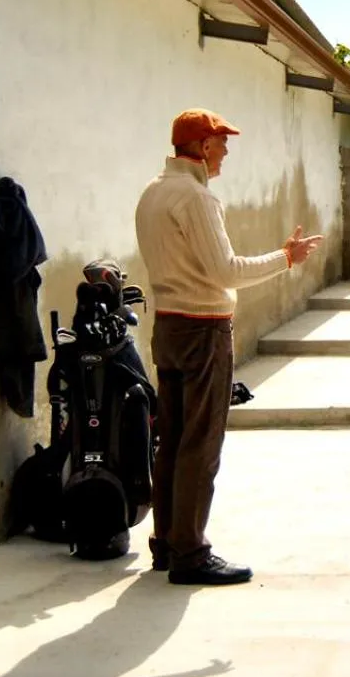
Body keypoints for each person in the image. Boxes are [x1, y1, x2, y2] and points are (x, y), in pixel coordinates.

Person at [135, 108, 322, 586]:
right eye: (221, 142)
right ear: (200, 147)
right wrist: (286, 257)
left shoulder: (153, 193)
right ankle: (191, 553)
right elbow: (227, 272)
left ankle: (167, 543)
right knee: (201, 442)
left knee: (173, 439)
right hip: (202, 330)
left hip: (171, 328)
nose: (226, 151)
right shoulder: (196, 198)